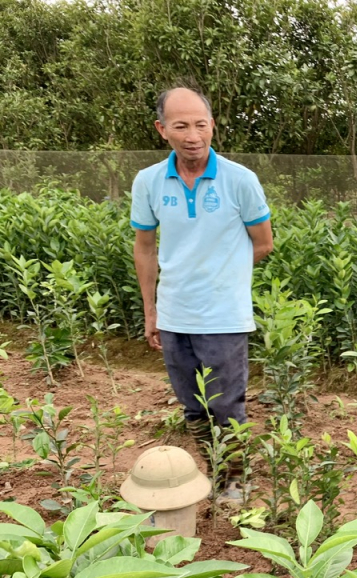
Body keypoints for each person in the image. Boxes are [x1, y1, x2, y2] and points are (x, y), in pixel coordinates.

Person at [130, 86, 274, 504]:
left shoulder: (240, 180)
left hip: (223, 317)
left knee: (227, 406)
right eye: (181, 125)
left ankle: (235, 482)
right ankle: (212, 470)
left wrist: (222, 277)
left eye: (200, 124)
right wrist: (151, 309)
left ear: (212, 125)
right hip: (174, 314)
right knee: (192, 406)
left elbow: (262, 243)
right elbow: (144, 247)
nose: (193, 134)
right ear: (162, 130)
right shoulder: (149, 182)